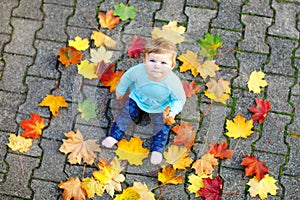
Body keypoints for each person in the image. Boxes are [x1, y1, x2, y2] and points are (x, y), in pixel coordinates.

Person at [102, 37, 186, 165]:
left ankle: (157, 149)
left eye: (163, 63)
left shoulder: (173, 82)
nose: (157, 66)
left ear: (172, 65)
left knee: (162, 127)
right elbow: (127, 78)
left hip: (161, 107)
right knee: (125, 114)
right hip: (138, 99)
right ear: (144, 60)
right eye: (152, 60)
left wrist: (173, 111)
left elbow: (179, 99)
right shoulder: (138, 71)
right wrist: (120, 90)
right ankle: (114, 135)